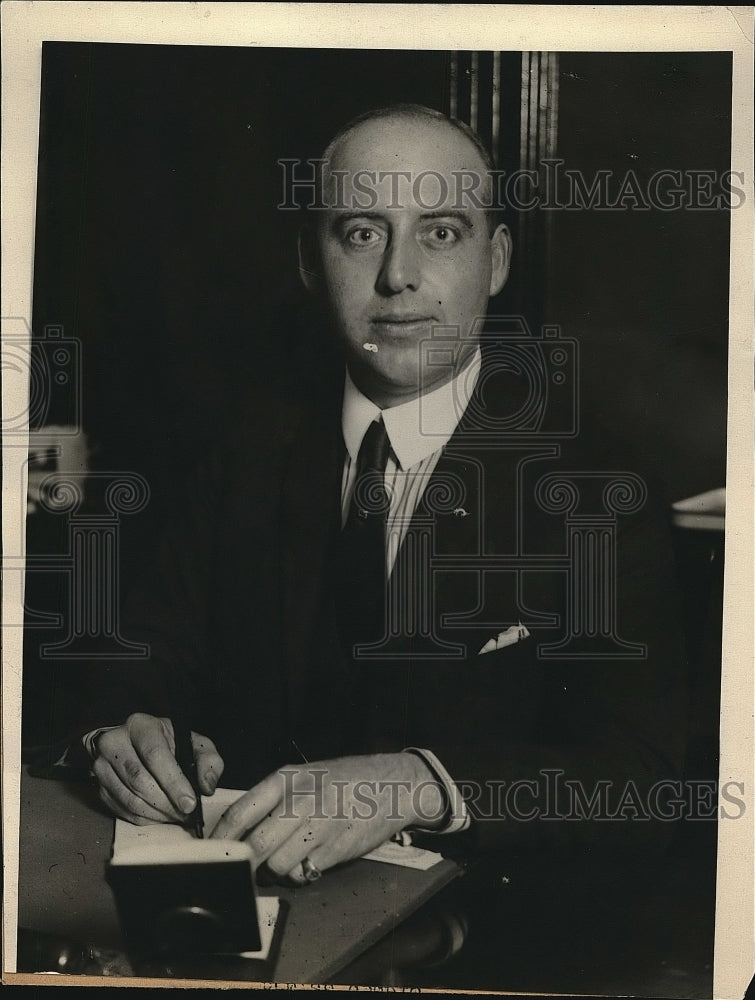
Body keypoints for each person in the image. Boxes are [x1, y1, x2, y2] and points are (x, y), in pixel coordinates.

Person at [78, 104, 688, 885]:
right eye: (361, 232)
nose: (397, 275)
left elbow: (639, 784)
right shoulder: (241, 450)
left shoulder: (598, 491)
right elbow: (138, 655)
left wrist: (418, 784)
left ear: (495, 262)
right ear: (308, 261)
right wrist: (119, 734)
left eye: (440, 232)